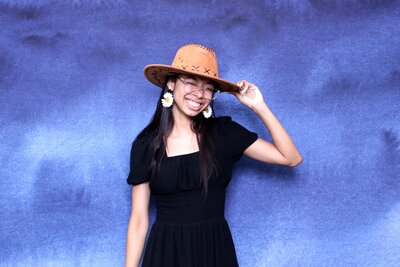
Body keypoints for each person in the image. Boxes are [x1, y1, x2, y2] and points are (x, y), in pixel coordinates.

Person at [124, 43, 302, 267]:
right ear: (171, 83)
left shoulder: (223, 133)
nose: (199, 94)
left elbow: (291, 158)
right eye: (190, 83)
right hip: (165, 253)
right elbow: (139, 219)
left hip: (214, 251)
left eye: (208, 88)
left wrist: (259, 106)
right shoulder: (145, 145)